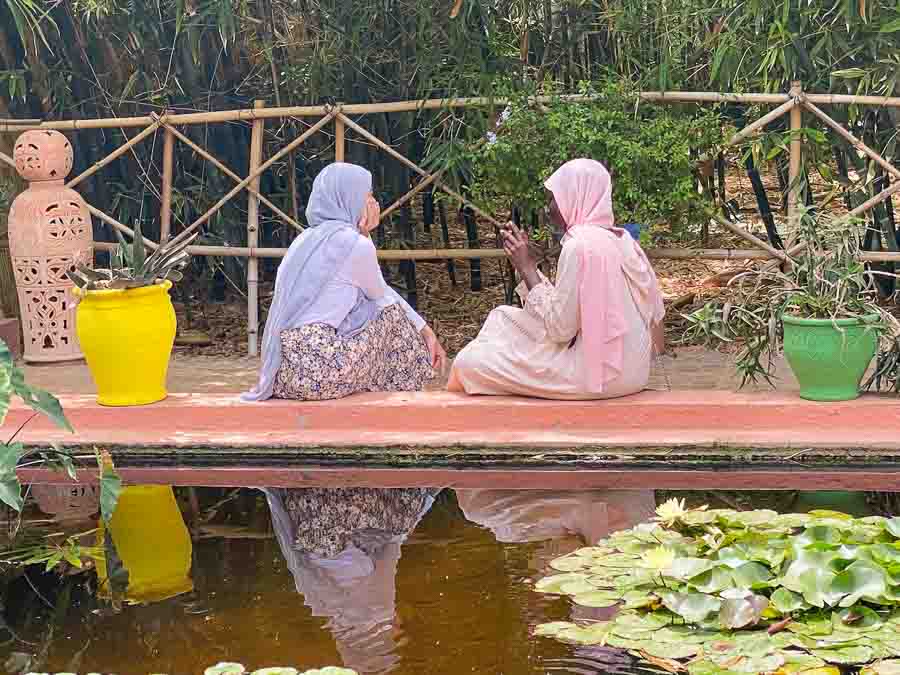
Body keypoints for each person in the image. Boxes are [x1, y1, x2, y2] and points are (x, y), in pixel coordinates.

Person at [448, 158, 665, 399]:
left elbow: (561, 330)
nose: (548, 208)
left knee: (469, 363)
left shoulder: (579, 245)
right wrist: (529, 266)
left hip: (598, 379)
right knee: (502, 317)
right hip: (635, 375)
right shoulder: (622, 239)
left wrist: (526, 267)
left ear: (574, 197)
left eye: (553, 199)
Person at [242, 162, 447, 402]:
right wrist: (426, 332)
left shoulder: (303, 240)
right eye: (367, 196)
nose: (372, 204)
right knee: (391, 316)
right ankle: (404, 397)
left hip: (285, 373)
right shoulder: (354, 244)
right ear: (347, 199)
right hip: (321, 370)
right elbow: (382, 296)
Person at [263, 487, 440, 673]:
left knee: (405, 514)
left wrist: (404, 529)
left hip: (344, 514)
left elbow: (388, 556)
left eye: (396, 638)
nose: (399, 629)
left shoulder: (379, 612)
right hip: (311, 521)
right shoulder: (323, 608)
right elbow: (302, 562)